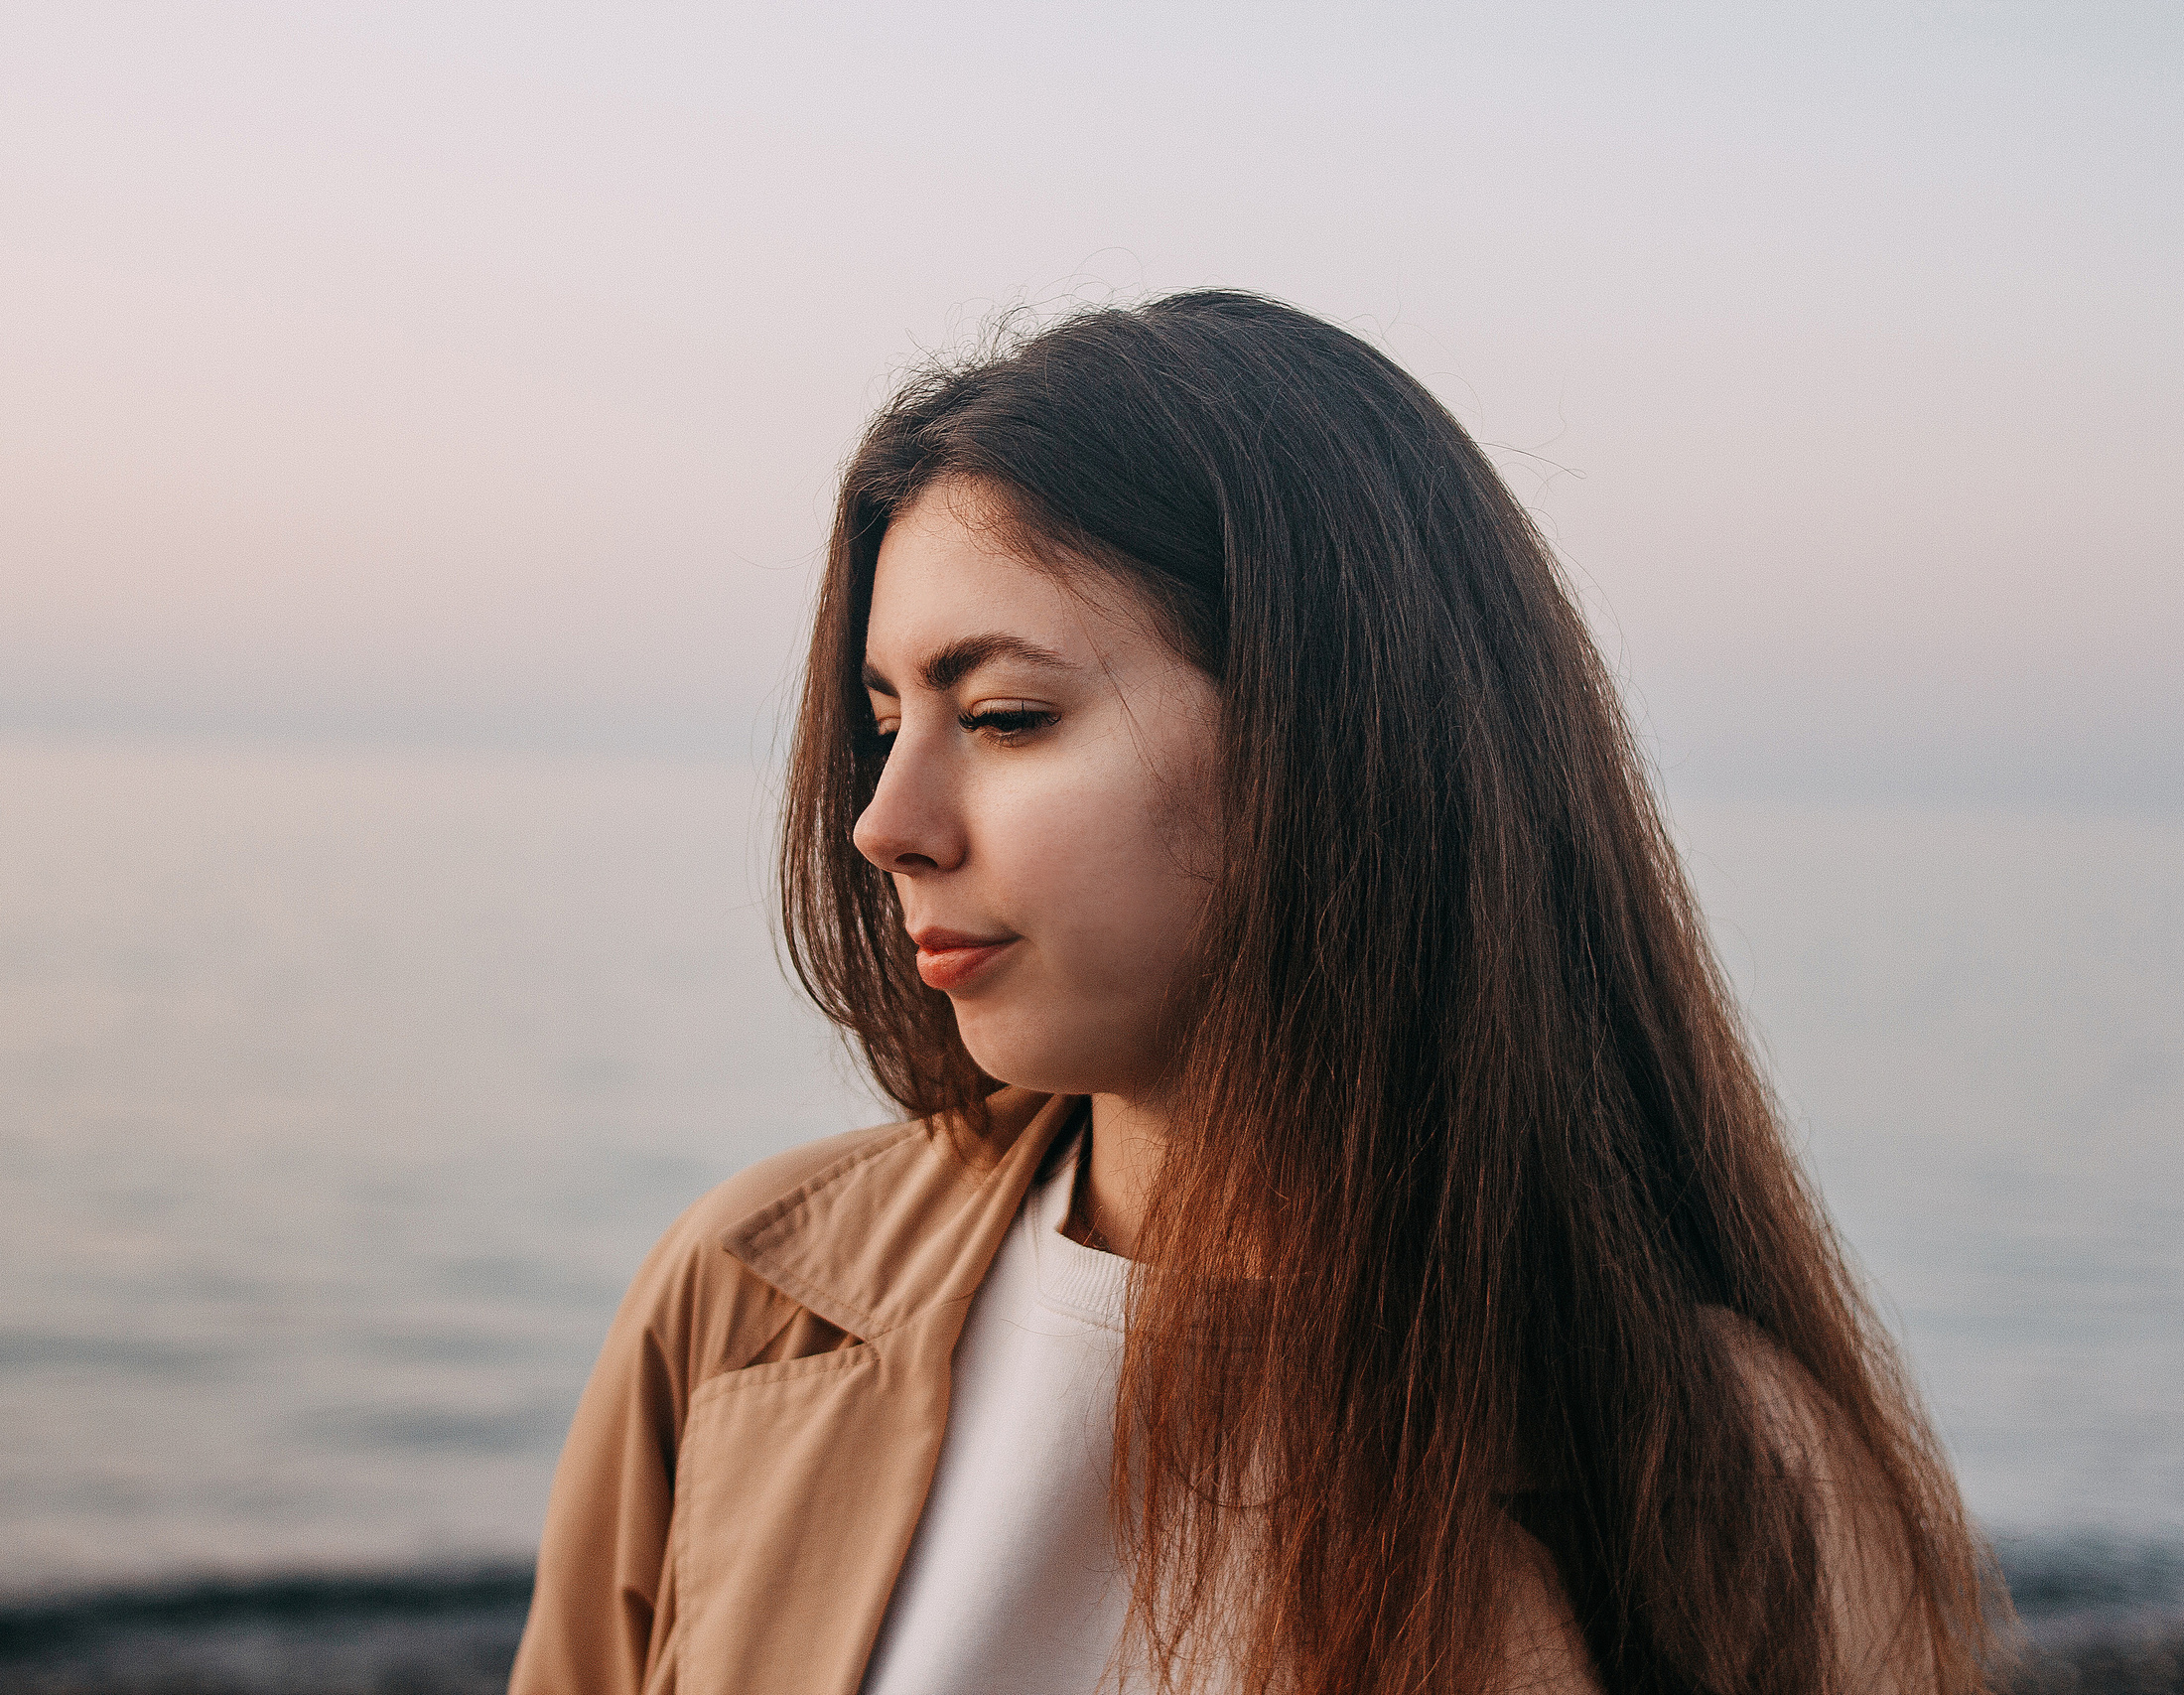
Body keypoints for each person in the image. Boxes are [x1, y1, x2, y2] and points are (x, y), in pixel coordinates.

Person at [509, 292, 1997, 1695]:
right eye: (884, 720)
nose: (884, 823)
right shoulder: (750, 1301)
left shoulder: (1722, 1476)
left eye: (1008, 717)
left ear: (1334, 741)